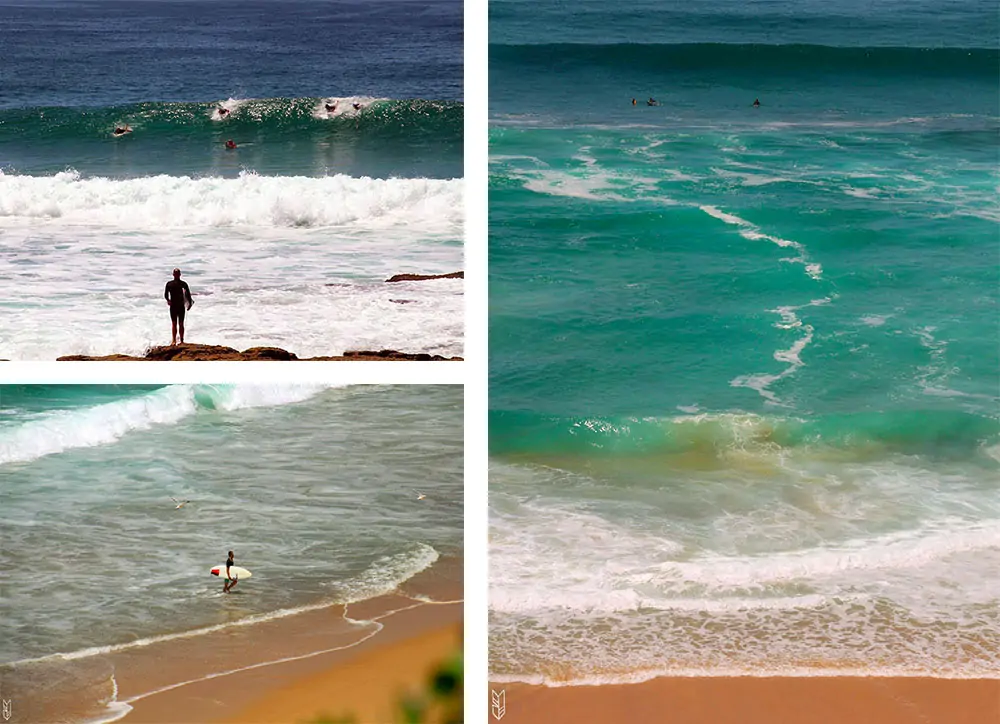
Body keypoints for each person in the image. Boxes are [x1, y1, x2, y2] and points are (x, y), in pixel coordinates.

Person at [164, 268, 193, 345]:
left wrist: (190, 303)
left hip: (181, 306)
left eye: (178, 273)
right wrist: (168, 300)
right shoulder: (169, 284)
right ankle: (174, 340)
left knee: (181, 323)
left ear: (180, 274)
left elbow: (188, 295)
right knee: (174, 323)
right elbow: (166, 294)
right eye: (175, 273)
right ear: (173, 274)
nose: (176, 275)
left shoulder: (183, 284)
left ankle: (182, 340)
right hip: (173, 306)